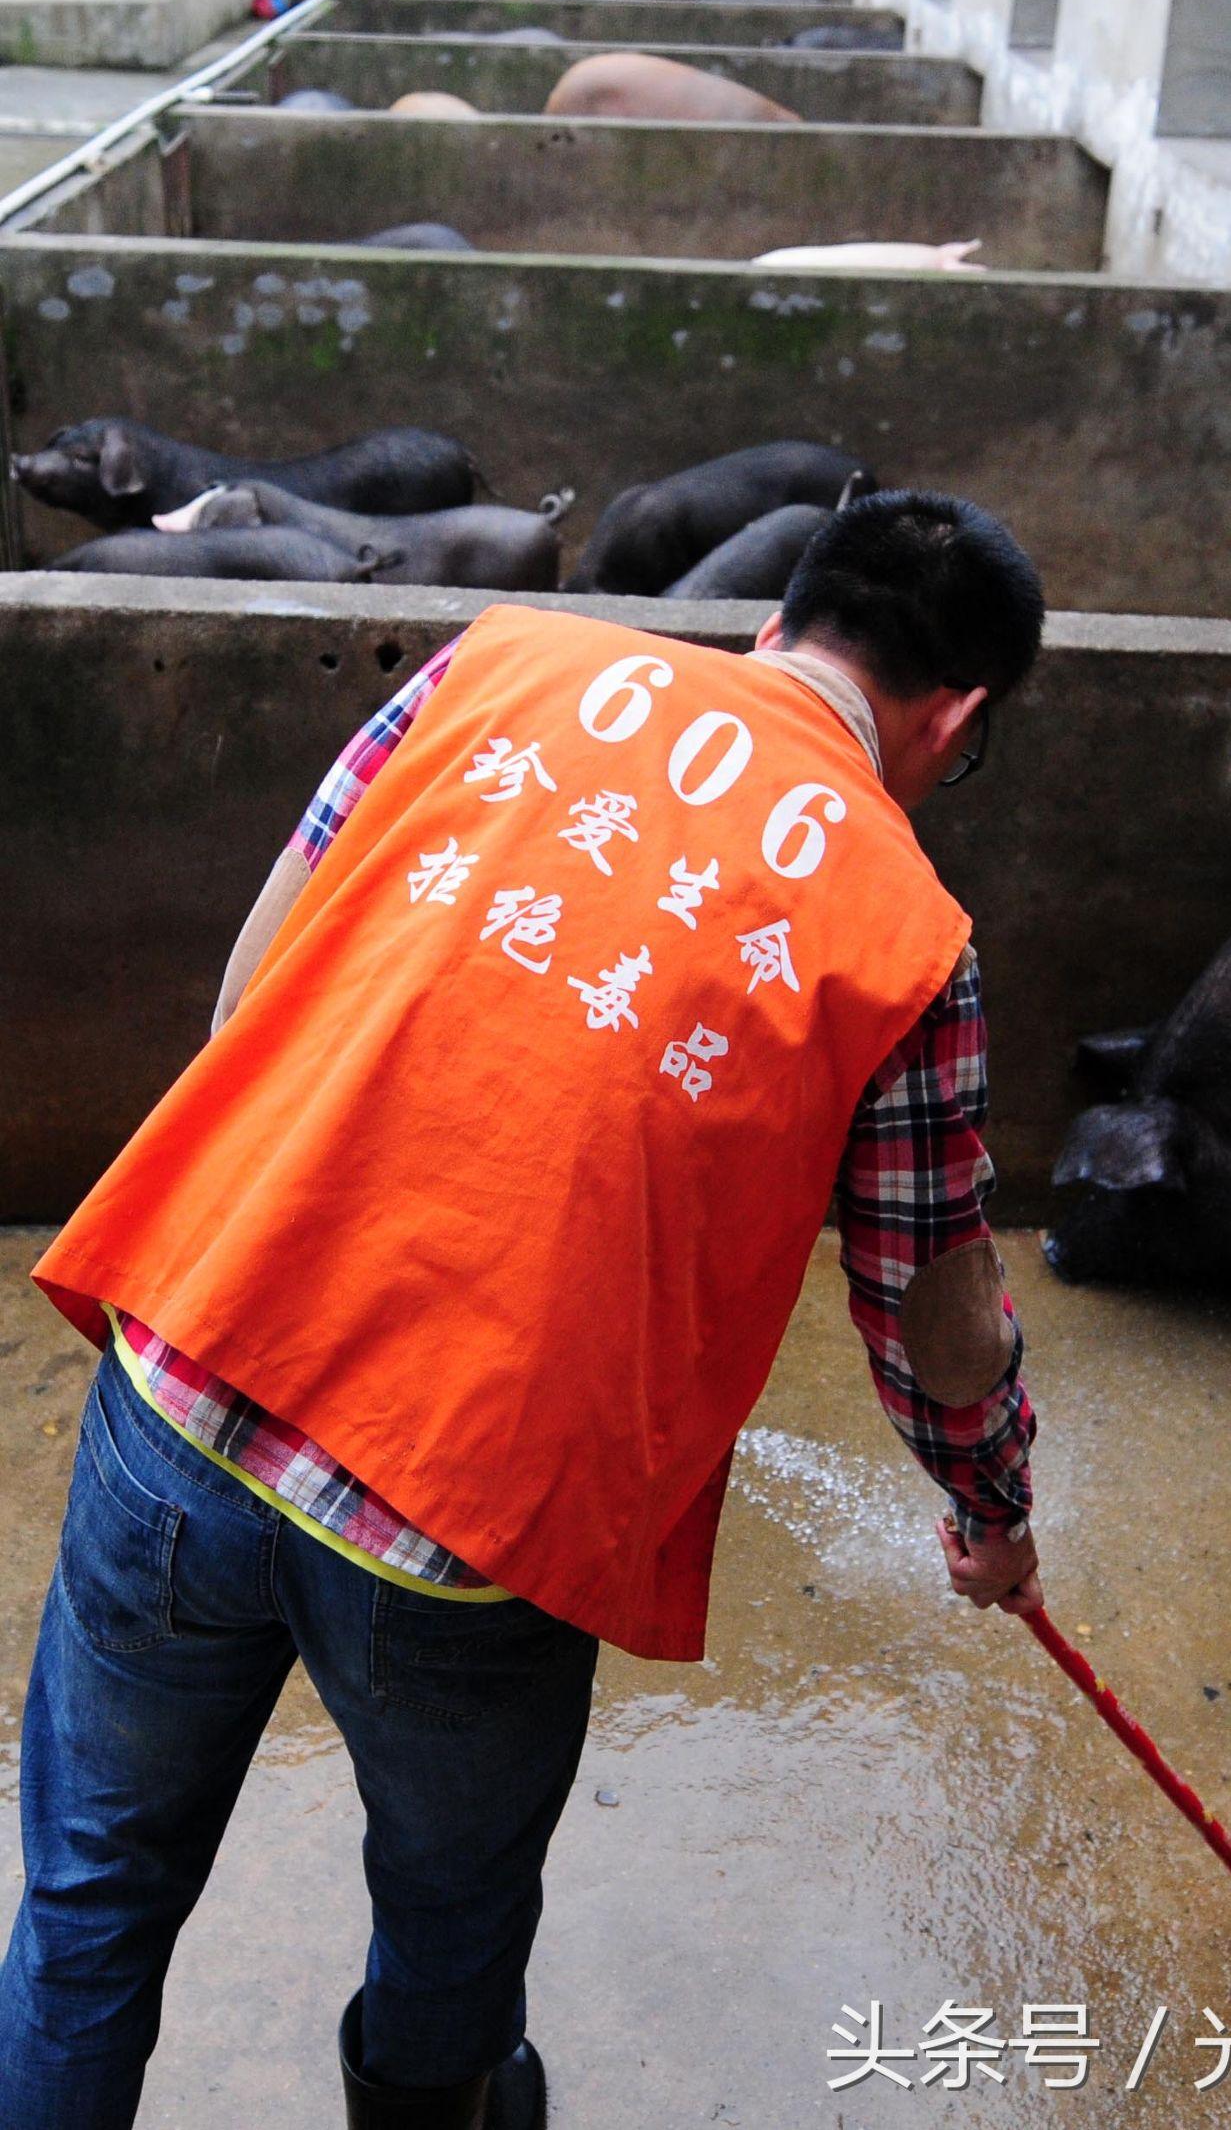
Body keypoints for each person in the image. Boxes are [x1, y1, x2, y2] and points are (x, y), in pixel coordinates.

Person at [1, 489, 1045, 2130]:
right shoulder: (910, 938)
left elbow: (253, 983)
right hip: (465, 1528)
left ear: (782, 615)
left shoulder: (497, 662)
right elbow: (935, 1311)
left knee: (83, 1915)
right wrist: (992, 1503)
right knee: (448, 1943)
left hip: (187, 1380)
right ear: (954, 715)